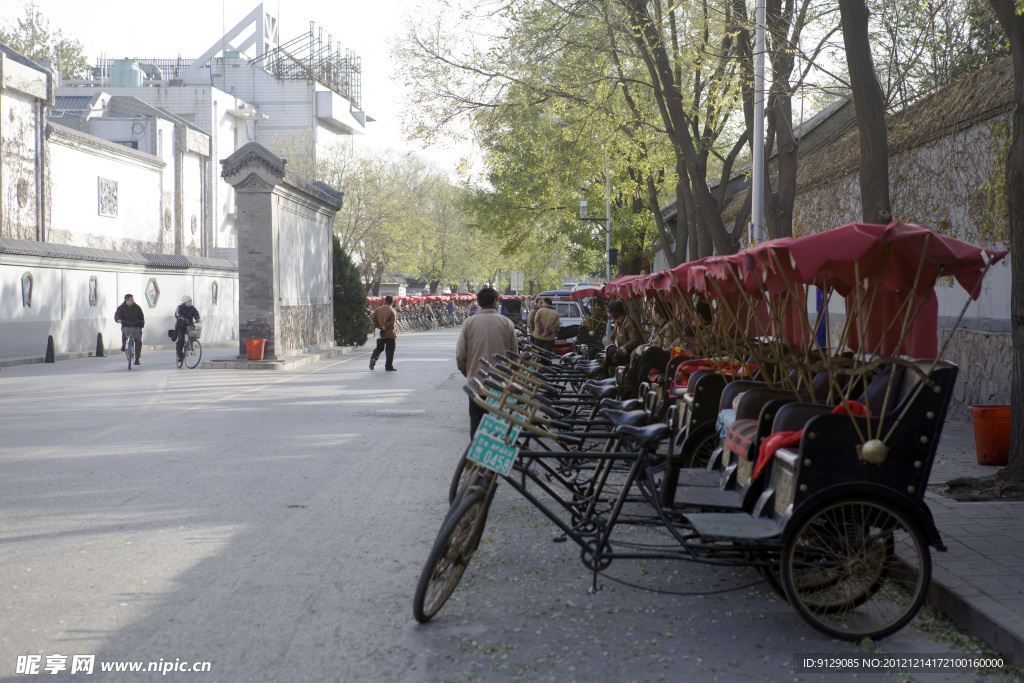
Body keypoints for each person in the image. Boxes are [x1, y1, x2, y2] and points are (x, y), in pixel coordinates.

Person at [456, 287, 519, 437]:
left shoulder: (469, 323)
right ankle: (495, 455)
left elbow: (460, 355)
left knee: (477, 423)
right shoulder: (507, 323)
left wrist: (467, 371)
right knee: (499, 424)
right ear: (495, 301)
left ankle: (475, 459)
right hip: (500, 384)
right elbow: (514, 356)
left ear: (479, 302)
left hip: (476, 382)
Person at [606, 299, 644, 366]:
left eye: (611, 312)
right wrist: (611, 346)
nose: (610, 315)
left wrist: (623, 349)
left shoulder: (630, 322)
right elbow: (611, 337)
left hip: (629, 352)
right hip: (618, 349)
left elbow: (635, 340)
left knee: (615, 355)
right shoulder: (617, 323)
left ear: (616, 312)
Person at [114, 293, 145, 365]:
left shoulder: (137, 307)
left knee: (138, 341)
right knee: (124, 334)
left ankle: (137, 358)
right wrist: (118, 319)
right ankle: (124, 345)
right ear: (126, 301)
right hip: (126, 325)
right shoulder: (121, 308)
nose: (133, 301)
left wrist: (141, 323)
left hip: (136, 326)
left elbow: (141, 316)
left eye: (133, 299)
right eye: (131, 300)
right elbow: (117, 315)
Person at [370, 295, 398, 371]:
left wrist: (378, 327)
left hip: (379, 333)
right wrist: (384, 327)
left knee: (379, 348)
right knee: (390, 350)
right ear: (392, 302)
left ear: (385, 301)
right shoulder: (392, 310)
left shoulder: (377, 309)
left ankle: (373, 358)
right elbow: (392, 323)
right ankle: (388, 366)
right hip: (389, 333)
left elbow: (374, 319)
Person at [174, 295, 201, 362]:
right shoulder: (180, 307)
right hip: (181, 326)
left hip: (189, 325)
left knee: (193, 336)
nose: (190, 302)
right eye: (189, 301)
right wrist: (180, 317)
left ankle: (190, 346)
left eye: (190, 301)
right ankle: (180, 355)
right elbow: (177, 314)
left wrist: (197, 319)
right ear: (185, 302)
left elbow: (196, 313)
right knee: (181, 340)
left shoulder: (192, 308)